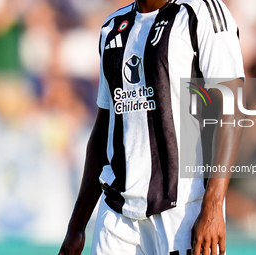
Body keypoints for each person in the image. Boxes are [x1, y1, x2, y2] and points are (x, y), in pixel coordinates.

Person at [58, 0, 245, 254]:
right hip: (116, 212)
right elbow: (104, 129)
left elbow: (231, 110)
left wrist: (213, 206)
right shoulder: (112, 28)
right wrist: (77, 226)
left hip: (183, 209)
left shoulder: (200, 12)